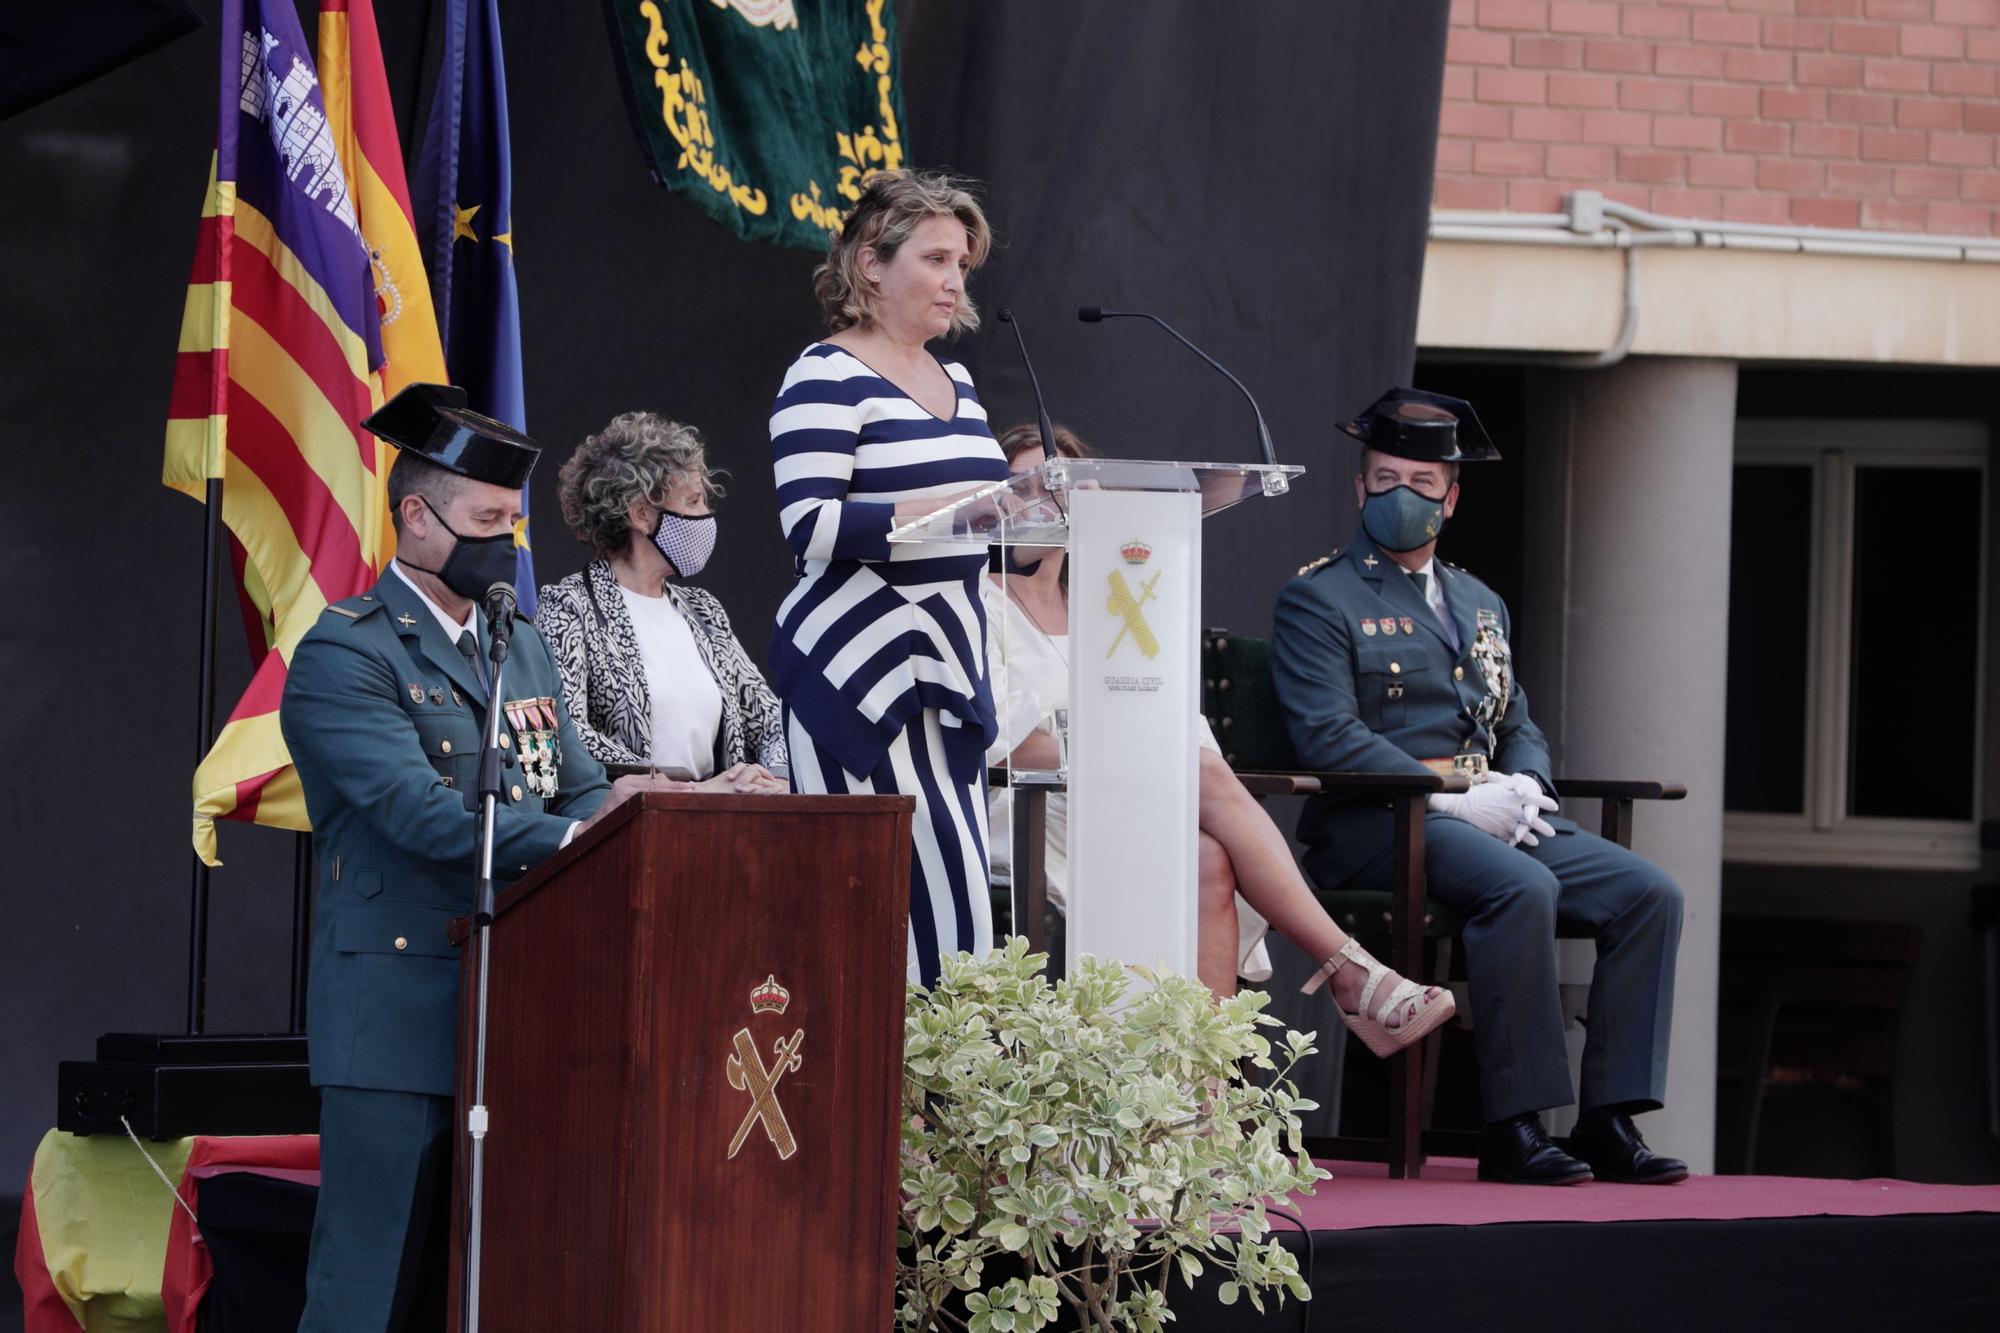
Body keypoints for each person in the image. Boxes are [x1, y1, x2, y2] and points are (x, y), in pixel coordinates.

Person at [282, 384, 659, 1331]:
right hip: (398, 1016)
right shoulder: (345, 654)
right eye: (488, 519)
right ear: (417, 516)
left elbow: (574, 783)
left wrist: (641, 809)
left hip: (517, 1013)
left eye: (514, 523)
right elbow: (422, 814)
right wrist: (583, 834)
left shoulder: (514, 642)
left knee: (494, 1281)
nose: (509, 542)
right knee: (368, 1289)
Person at [1271, 387, 1688, 1187]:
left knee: (1648, 893)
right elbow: (1327, 735)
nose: (1402, 496)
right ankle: (1516, 1126)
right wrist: (1451, 797)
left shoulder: (1478, 600)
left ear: (1451, 499)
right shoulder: (1319, 597)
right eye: (1385, 478)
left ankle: (1608, 1118)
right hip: (1375, 824)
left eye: (1422, 485)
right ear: (1360, 487)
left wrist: (1526, 780)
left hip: (1488, 817)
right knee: (1521, 886)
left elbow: (1513, 715)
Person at [986, 422, 1455, 1053]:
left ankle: (1200, 1104)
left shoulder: (1110, 601)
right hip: (1029, 811)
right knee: (1196, 771)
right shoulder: (977, 606)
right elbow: (1007, 744)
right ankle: (1353, 973)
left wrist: (1142, 753)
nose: (1043, 501)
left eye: (1060, 486)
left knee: (1209, 855)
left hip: (1128, 799)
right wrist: (1123, 749)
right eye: (1026, 485)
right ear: (997, 499)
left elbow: (1176, 721)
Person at [767, 169, 1011, 985]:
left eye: (963, 266)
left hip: (948, 655)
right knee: (874, 911)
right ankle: (879, 1102)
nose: (954, 281)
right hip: (857, 669)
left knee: (959, 913)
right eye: (937, 259)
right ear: (871, 263)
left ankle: (950, 1104)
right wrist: (951, 502)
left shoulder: (961, 381)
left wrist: (1015, 508)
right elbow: (811, 526)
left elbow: (985, 518)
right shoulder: (824, 376)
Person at [538, 411, 787, 793]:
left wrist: (774, 781)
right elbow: (564, 737)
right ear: (641, 514)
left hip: (725, 824)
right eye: (693, 502)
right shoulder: (570, 607)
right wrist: (691, 791)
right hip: (627, 830)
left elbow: (769, 720)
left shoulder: (703, 610)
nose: (707, 517)